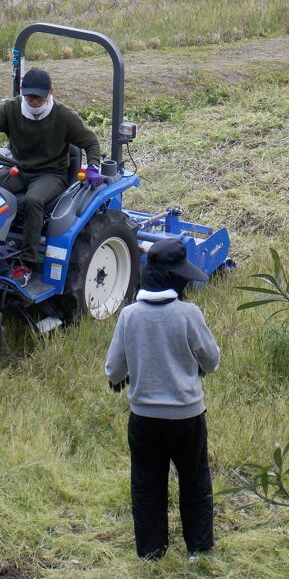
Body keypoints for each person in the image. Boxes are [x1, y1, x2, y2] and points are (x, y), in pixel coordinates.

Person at [104, 239, 221, 561]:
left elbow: (114, 369)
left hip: (144, 418)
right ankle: (198, 549)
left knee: (147, 483)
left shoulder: (130, 316)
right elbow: (211, 360)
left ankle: (151, 551)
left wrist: (123, 378)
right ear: (178, 279)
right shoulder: (188, 313)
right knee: (194, 480)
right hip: (187, 416)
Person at [0, 68, 103, 280]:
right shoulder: (11, 109)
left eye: (38, 97)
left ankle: (26, 263)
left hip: (51, 174)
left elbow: (90, 142)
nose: (34, 101)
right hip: (18, 167)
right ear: (22, 92)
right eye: (29, 96)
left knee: (33, 200)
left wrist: (93, 167)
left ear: (51, 92)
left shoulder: (63, 116)